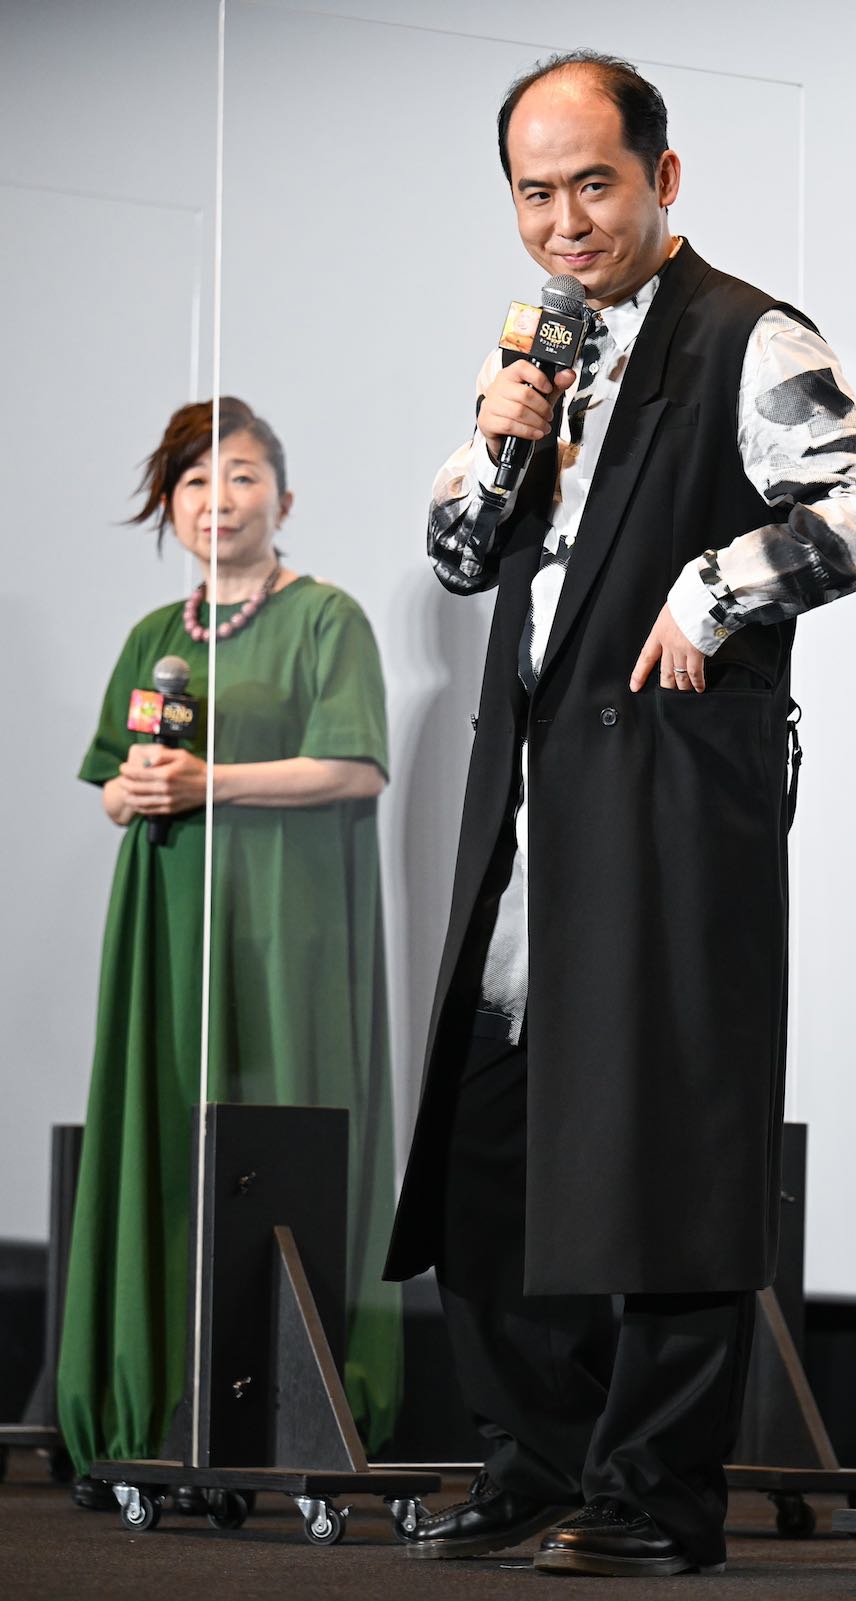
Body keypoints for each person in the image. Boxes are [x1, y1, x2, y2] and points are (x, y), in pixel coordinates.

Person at [385, 52, 856, 1577]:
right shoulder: (537, 355)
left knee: (672, 1141)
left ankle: (655, 1494)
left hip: (672, 799)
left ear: (661, 179)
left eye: (593, 185)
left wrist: (717, 586)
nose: (565, 222)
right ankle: (533, 1458)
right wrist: (499, 435)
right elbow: (457, 558)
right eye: (535, 194)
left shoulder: (748, 334)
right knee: (491, 1136)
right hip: (537, 795)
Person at [59, 397, 402, 1498]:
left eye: (242, 476)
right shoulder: (154, 636)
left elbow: (354, 767)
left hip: (287, 924)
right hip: (169, 915)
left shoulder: (327, 616)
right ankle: (149, 1404)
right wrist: (136, 788)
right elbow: (113, 785)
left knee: (283, 1132)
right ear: (171, 505)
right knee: (169, 1134)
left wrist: (210, 782)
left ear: (284, 499)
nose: (219, 500)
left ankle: (305, 1405)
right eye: (196, 481)